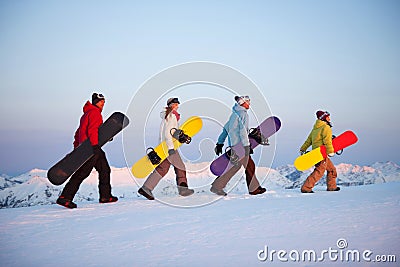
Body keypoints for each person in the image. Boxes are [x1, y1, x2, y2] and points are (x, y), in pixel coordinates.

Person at [56, 93, 118, 209]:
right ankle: (65, 197)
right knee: (82, 173)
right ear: (95, 102)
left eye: (104, 102)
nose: (103, 104)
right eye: (101, 102)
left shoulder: (87, 114)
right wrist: (94, 146)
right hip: (91, 148)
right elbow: (92, 130)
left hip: (87, 147)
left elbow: (78, 133)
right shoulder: (95, 113)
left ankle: (105, 196)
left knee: (104, 169)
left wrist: (77, 147)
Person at [138, 97, 195, 200]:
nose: (177, 106)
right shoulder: (171, 116)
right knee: (180, 167)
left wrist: (180, 136)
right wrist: (170, 148)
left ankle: (146, 188)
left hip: (166, 146)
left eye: (177, 104)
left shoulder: (169, 116)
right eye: (175, 104)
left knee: (163, 168)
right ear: (170, 105)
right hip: (169, 147)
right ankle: (183, 189)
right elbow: (168, 133)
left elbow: (172, 132)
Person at [210, 96, 267, 196]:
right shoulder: (243, 114)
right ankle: (253, 189)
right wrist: (246, 146)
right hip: (240, 146)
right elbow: (243, 131)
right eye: (248, 101)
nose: (249, 103)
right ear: (242, 103)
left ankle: (216, 186)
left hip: (234, 146)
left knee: (235, 167)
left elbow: (225, 130)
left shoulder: (234, 114)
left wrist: (220, 143)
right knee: (250, 166)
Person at [299, 110, 340, 193]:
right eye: (328, 117)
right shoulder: (326, 128)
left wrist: (302, 149)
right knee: (319, 171)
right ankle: (306, 188)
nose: (329, 118)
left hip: (317, 153)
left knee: (332, 170)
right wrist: (331, 151)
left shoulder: (315, 129)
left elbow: (308, 141)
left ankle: (332, 187)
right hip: (322, 154)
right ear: (323, 118)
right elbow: (327, 141)